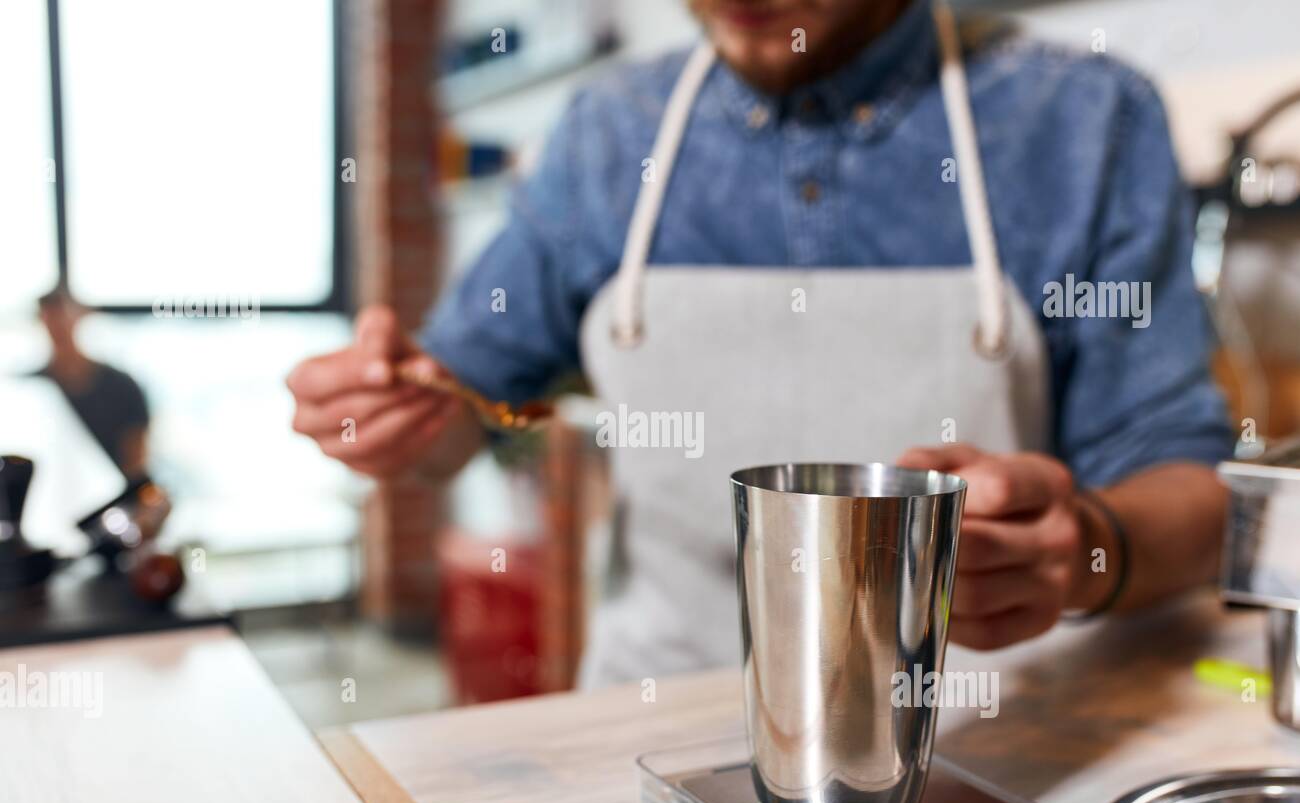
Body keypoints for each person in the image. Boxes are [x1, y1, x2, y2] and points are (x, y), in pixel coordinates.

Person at [289, 0, 1232, 687]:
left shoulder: (1080, 121)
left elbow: (1195, 494)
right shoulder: (610, 136)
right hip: (651, 718)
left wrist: (1084, 552)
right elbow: (467, 406)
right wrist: (397, 411)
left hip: (991, 732)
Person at [36, 286, 150, 480]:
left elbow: (136, 462)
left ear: (80, 316)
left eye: (62, 315)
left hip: (114, 498)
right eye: (50, 317)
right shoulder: (32, 389)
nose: (58, 325)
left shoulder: (122, 386)